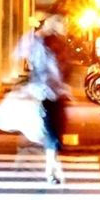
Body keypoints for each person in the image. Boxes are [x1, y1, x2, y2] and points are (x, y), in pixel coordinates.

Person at [27, 19, 72, 185]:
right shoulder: (44, 47)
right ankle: (51, 170)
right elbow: (44, 71)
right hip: (47, 95)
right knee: (52, 133)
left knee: (54, 132)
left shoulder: (52, 47)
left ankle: (51, 166)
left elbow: (62, 70)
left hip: (54, 95)